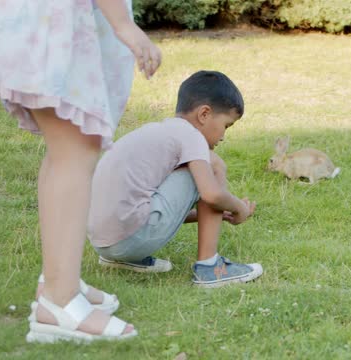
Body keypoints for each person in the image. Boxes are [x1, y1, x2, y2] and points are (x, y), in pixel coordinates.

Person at [0, 0, 161, 343]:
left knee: (67, 148)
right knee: (75, 149)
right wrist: (122, 24)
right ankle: (58, 303)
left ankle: (60, 282)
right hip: (54, 17)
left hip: (42, 15)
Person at [87, 70, 263, 288]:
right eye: (226, 125)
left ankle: (120, 259)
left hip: (104, 243)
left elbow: (147, 203)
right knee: (214, 165)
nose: (223, 136)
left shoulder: (159, 133)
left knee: (201, 170)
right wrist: (239, 208)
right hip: (131, 239)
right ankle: (210, 267)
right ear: (204, 114)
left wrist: (210, 214)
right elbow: (212, 194)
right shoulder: (192, 137)